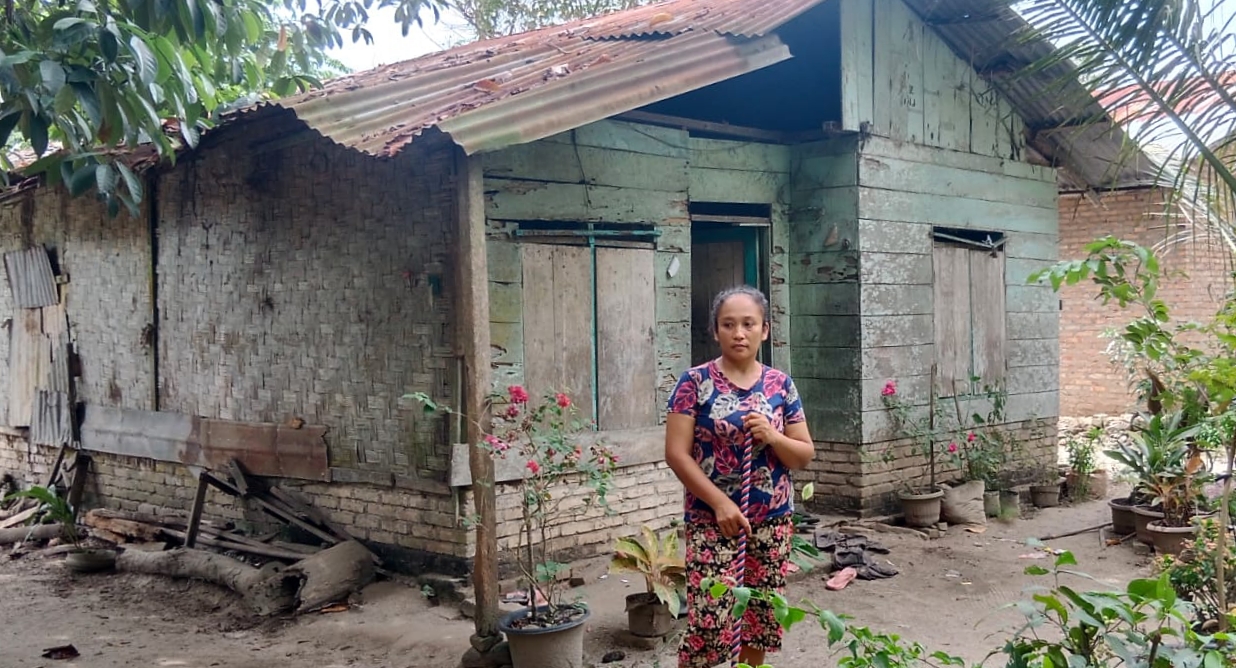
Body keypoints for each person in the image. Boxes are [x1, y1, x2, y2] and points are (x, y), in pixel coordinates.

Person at [665, 285, 815, 668]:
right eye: (728, 324)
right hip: (712, 521)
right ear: (715, 331)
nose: (739, 333)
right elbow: (676, 454)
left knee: (759, 619)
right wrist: (721, 504)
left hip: (771, 521)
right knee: (709, 623)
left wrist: (772, 435)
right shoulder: (693, 383)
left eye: (749, 324)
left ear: (765, 330)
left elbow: (803, 455)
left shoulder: (781, 385)